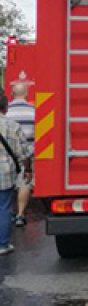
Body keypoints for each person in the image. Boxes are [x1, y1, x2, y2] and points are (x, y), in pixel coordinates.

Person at [0, 95, 32, 255]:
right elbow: (24, 153)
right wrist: (28, 169)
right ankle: (3, 245)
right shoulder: (13, 126)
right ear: (5, 108)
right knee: (4, 207)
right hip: (5, 171)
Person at [6, 83, 34, 227]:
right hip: (27, 154)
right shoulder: (34, 111)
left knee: (7, 183)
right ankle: (20, 214)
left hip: (7, 154)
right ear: (27, 94)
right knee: (24, 183)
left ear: (12, 94)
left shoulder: (6, 112)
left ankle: (8, 212)